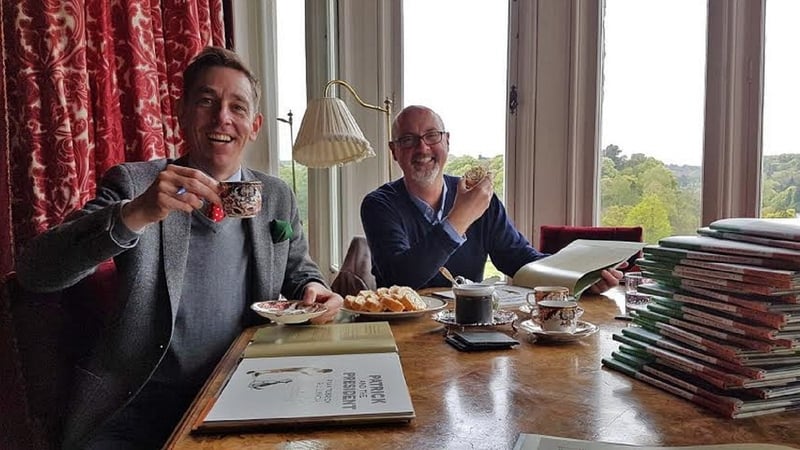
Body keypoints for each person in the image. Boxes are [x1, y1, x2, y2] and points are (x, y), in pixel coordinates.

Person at [15, 46, 342, 450]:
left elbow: (299, 272)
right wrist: (133, 214)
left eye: (237, 107)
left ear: (254, 125)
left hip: (241, 394)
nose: (223, 117)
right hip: (138, 407)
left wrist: (315, 289)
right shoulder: (135, 186)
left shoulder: (274, 196)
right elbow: (36, 270)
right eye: (207, 101)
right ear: (182, 112)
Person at [360, 105, 623, 292]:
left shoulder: (482, 200)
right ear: (394, 152)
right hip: (404, 339)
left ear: (447, 142)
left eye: (432, 136)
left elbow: (520, 260)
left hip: (468, 330)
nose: (422, 148)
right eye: (408, 140)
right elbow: (401, 280)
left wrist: (579, 279)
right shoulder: (379, 205)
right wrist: (459, 219)